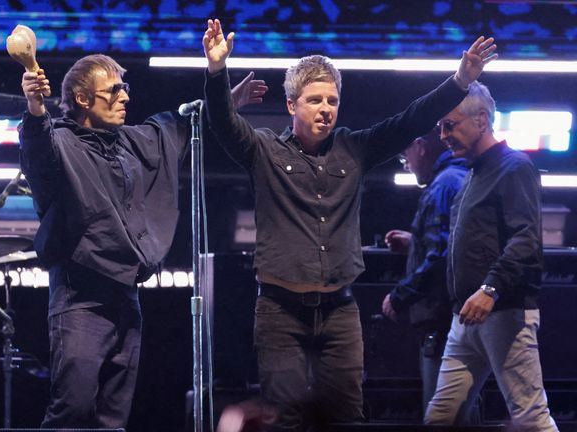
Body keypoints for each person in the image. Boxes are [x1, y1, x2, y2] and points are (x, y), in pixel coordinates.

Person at [202, 18, 497, 430]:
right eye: (315, 100)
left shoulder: (355, 148)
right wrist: (217, 72)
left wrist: (459, 81)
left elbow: (411, 120)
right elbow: (223, 126)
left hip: (339, 310)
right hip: (279, 311)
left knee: (346, 419)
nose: (326, 109)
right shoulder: (264, 150)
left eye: (332, 100)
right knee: (285, 419)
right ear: (292, 106)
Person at [18, 54, 266, 428]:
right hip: (80, 298)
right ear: (83, 100)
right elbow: (38, 150)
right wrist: (36, 108)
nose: (125, 97)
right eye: (113, 90)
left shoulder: (132, 143)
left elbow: (183, 124)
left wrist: (226, 98)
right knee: (74, 407)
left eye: (125, 88)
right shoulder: (61, 144)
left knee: (113, 415)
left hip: (126, 295)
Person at [424, 82, 559, 431]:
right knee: (440, 418)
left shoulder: (514, 167)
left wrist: (490, 288)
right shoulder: (473, 172)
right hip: (466, 316)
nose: (443, 135)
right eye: (440, 127)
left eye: (450, 125)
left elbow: (526, 238)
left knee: (530, 418)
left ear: (482, 120)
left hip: (504, 312)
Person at [380, 128, 469, 415]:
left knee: (440, 415)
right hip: (455, 318)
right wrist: (415, 242)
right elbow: (454, 243)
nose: (406, 162)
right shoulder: (461, 177)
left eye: (404, 153)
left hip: (439, 320)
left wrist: (400, 295)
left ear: (419, 146)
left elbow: (441, 256)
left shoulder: (443, 185)